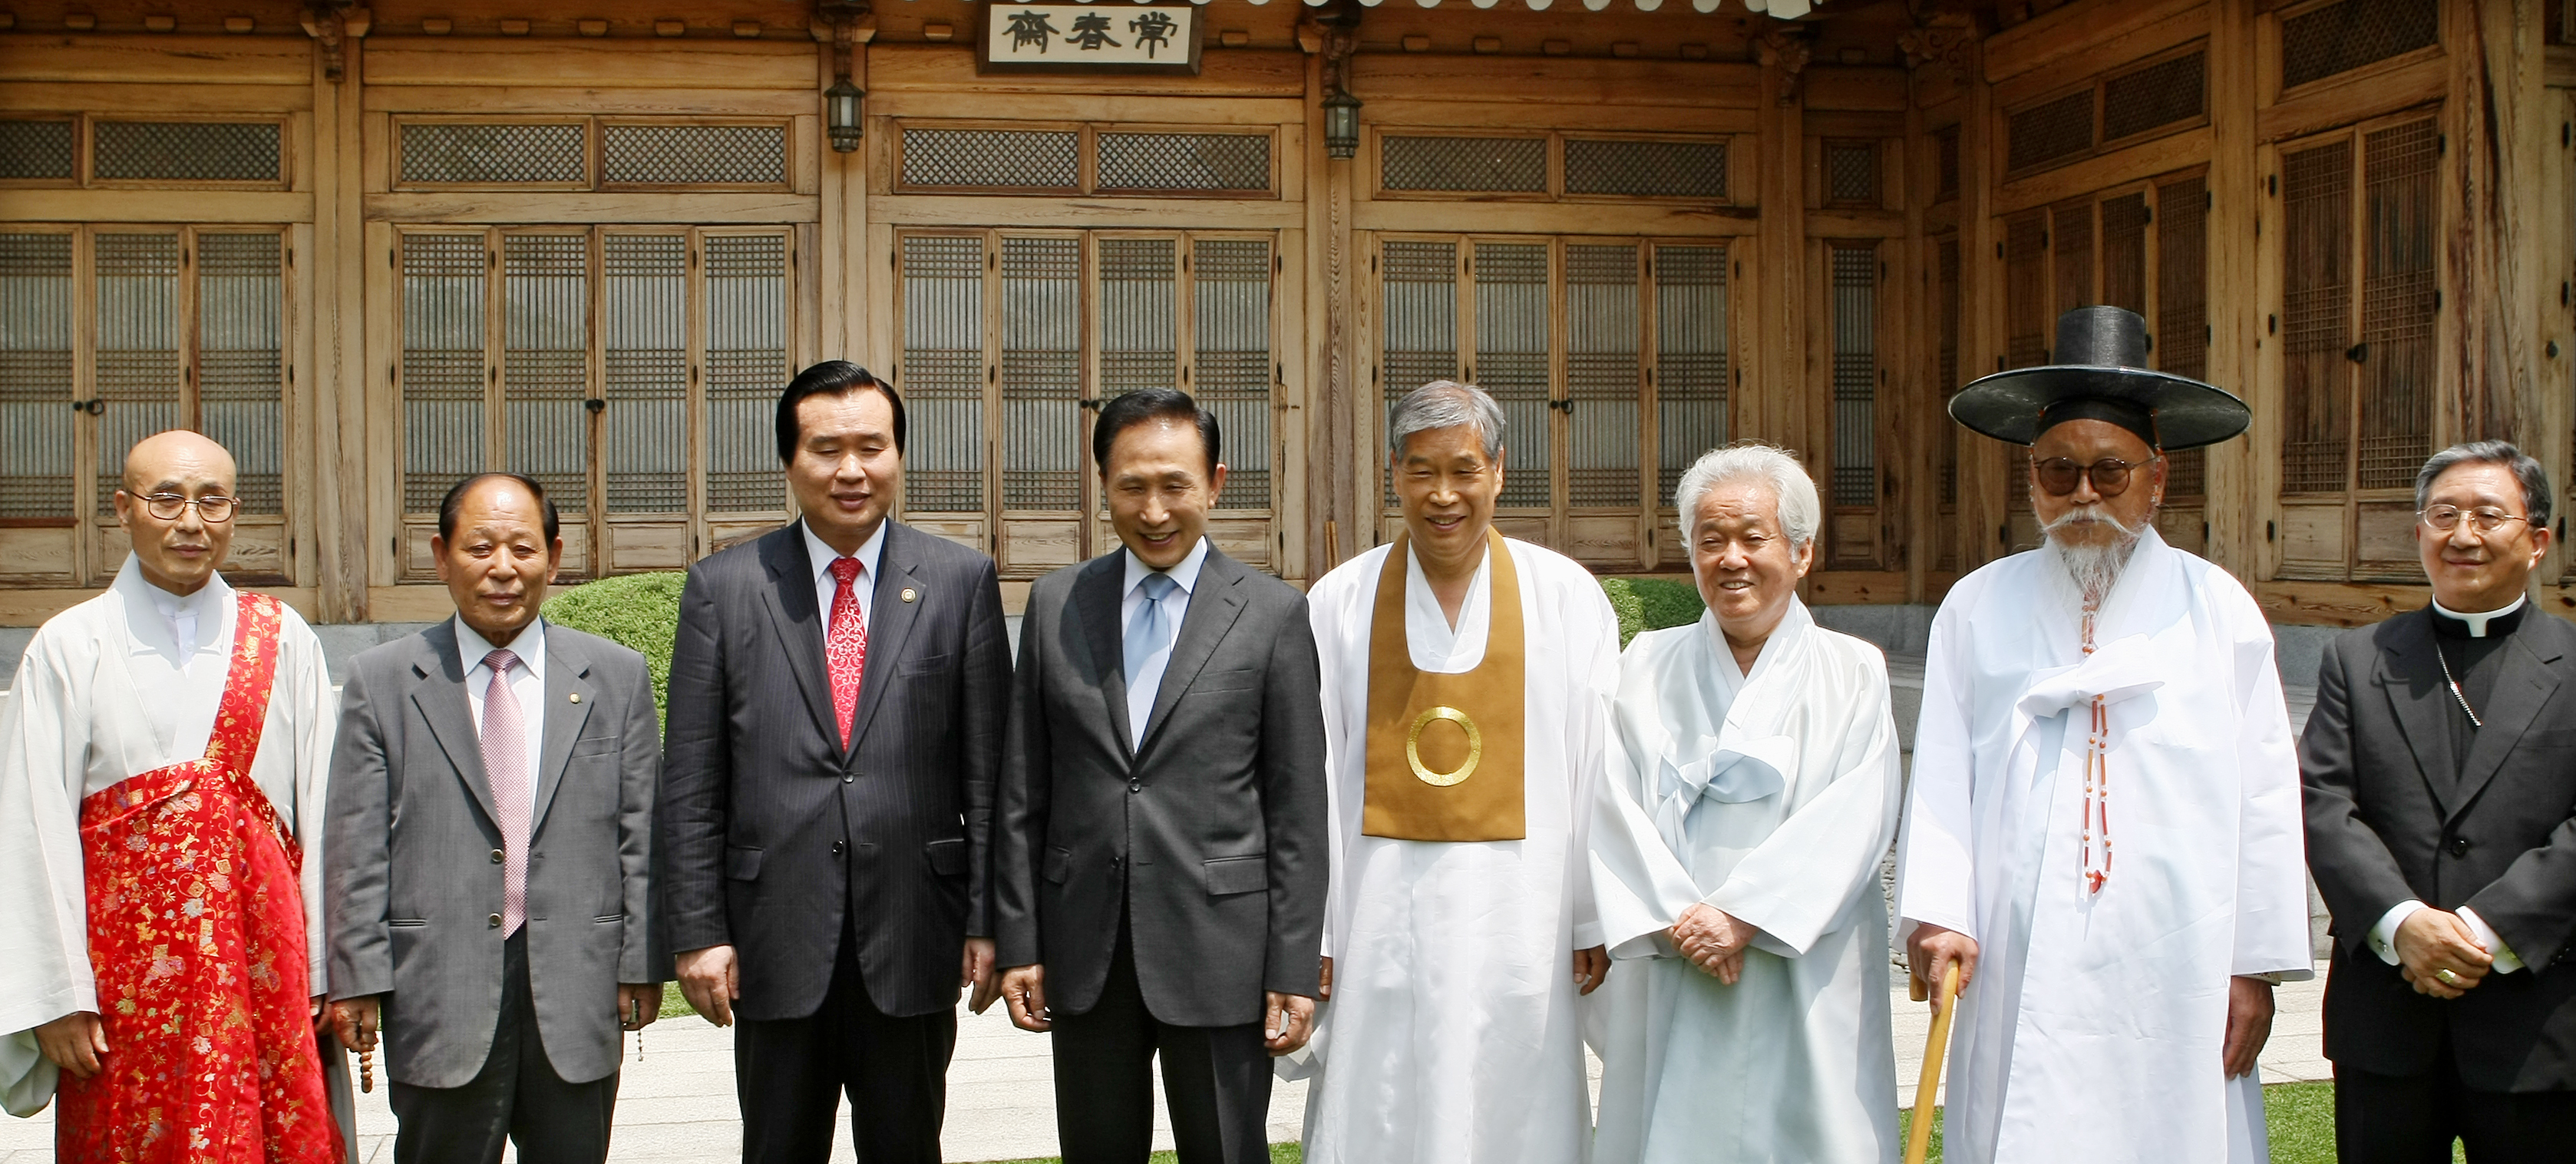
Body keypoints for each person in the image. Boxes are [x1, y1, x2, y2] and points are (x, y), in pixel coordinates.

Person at [1896, 306, 2313, 1163]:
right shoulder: (1975, 604)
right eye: (2058, 472)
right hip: (2011, 945)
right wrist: (1936, 912)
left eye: (2108, 471)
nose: (2082, 493)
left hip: (2176, 944)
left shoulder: (2217, 608)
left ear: (2155, 479)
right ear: (2031, 478)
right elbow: (1938, 770)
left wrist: (2253, 966)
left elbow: (2265, 794)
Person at [660, 359, 1012, 1164]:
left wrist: (991, 918)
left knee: (906, 1146)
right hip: (772, 933)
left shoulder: (961, 581)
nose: (850, 469)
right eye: (826, 448)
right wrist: (697, 930)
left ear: (897, 455)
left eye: (871, 447)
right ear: (789, 462)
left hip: (914, 930)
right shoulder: (724, 587)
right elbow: (690, 781)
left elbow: (992, 775)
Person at [993, 388, 1328, 1164]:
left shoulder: (1273, 614)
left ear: (1214, 482)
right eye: (1131, 486)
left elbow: (1296, 807)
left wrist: (1291, 965)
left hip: (1221, 951)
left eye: (1174, 484)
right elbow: (1022, 793)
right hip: (1085, 950)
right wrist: (1020, 941)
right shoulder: (1054, 605)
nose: (1153, 509)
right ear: (1103, 483)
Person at [1290, 380, 1618, 1164]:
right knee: (1381, 1100)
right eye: (1421, 470)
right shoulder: (1338, 601)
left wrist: (1586, 917)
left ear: (1498, 472)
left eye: (1463, 470)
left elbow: (1595, 764)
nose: (1443, 494)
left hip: (1522, 918)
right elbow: (1311, 774)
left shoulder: (1565, 597)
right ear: (1393, 475)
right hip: (1377, 920)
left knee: (1516, 1099)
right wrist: (1319, 928)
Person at [0, 430, 352, 1161]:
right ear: (124, 510)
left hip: (265, 980)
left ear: (235, 513)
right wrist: (56, 996)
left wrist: (327, 971)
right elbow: (31, 831)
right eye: (166, 499)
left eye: (211, 501)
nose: (191, 522)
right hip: (121, 996)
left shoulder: (284, 638)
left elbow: (326, 814)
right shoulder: (70, 647)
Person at [324, 473, 664, 1164]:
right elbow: (355, 842)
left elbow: (642, 833)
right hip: (437, 986)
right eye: (480, 548)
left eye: (522, 548)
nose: (502, 569)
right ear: (442, 556)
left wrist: (641, 961)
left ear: (554, 556)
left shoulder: (615, 676)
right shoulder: (383, 680)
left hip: (577, 980)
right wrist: (358, 975)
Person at [1589, 444, 1904, 1164]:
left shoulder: (1853, 671)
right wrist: (1682, 917)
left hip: (1801, 953)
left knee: (1809, 1129)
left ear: (1800, 552)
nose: (1731, 558)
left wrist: (1742, 916)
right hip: (1679, 948)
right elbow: (1612, 803)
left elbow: (1858, 814)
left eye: (1752, 538)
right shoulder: (1646, 665)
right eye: (1711, 540)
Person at [2302, 441, 2576, 1162]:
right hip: (2386, 1016)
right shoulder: (2356, 661)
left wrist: (2484, 931)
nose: (2463, 535)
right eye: (2443, 514)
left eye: (2489, 515)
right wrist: (2404, 924)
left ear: (2537, 540)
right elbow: (2324, 804)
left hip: (2539, 1021)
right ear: (2420, 531)